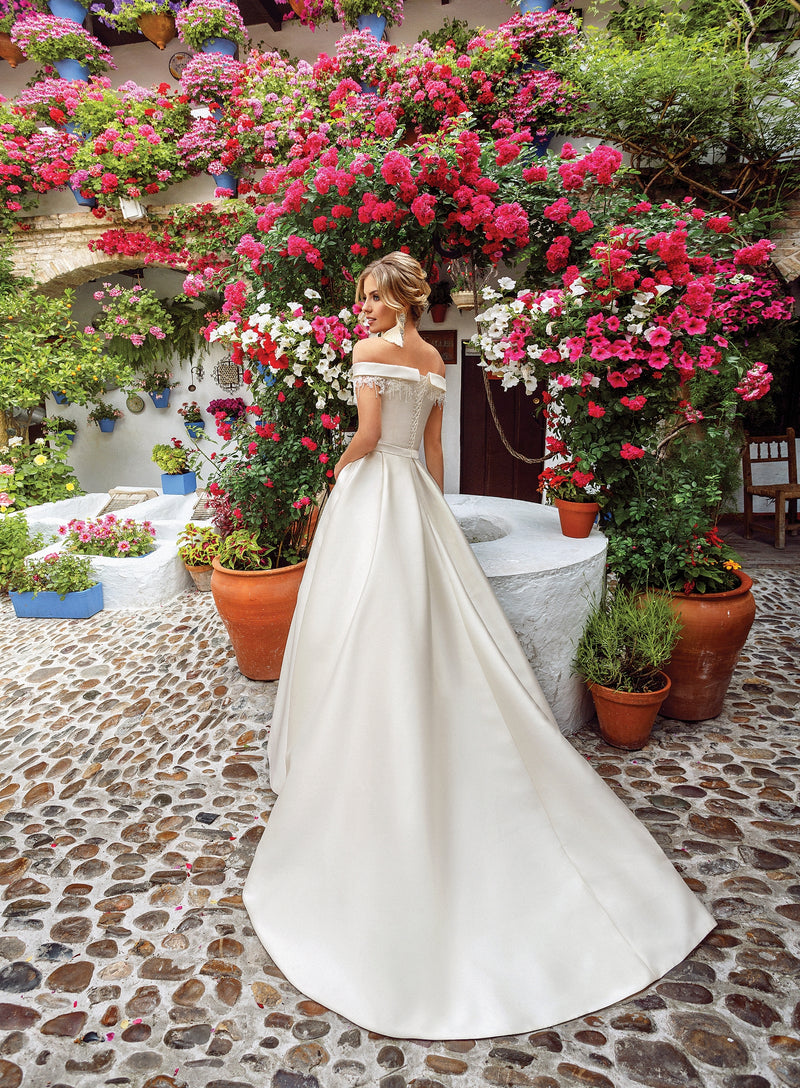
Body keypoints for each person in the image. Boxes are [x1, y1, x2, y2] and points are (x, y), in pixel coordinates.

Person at [242, 252, 715, 1041]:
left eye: (372, 296)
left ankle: (362, 746)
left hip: (370, 495)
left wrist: (336, 476)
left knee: (357, 615)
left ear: (398, 299)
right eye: (360, 296)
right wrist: (430, 502)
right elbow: (429, 455)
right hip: (417, 499)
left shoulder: (371, 355)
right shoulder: (432, 358)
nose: (361, 308)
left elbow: (365, 436)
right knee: (423, 615)